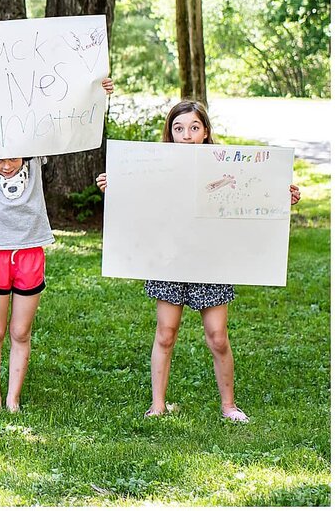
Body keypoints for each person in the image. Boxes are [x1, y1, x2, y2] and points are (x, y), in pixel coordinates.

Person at [96, 99, 301, 422]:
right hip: (169, 260)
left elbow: (248, 197)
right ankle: (158, 404)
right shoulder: (156, 166)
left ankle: (229, 406)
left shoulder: (224, 167)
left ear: (205, 132)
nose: (186, 135)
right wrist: (116, 188)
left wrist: (279, 194)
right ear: (170, 133)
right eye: (179, 129)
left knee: (218, 336)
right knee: (166, 331)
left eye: (194, 128)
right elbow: (139, 202)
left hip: (212, 261)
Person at [0, 68, 114, 411]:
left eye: (13, 157)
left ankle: (13, 397)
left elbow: (69, 120)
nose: (6, 164)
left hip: (30, 252)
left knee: (20, 333)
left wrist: (98, 93)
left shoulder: (36, 154)